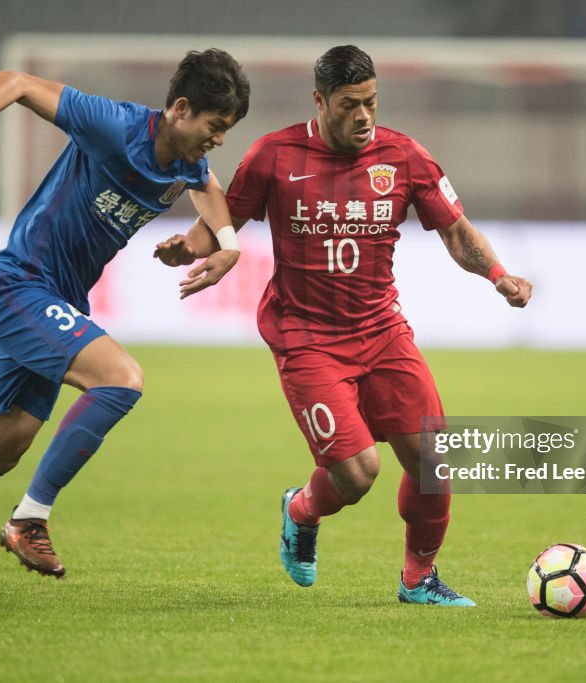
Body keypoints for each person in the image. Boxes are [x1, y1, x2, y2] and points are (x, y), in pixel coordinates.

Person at [0, 49, 251, 599]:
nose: (219, 139)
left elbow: (209, 189)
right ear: (179, 108)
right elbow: (15, 81)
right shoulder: (115, 124)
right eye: (215, 126)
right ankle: (29, 519)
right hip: (19, 286)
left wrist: (225, 246)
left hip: (58, 303)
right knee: (120, 379)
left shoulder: (185, 160)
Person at [155, 45, 532, 606]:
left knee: (433, 459)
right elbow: (224, 217)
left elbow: (456, 231)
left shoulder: (405, 157)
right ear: (320, 100)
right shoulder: (273, 155)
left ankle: (418, 580)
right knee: (357, 474)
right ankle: (300, 510)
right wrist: (190, 245)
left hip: (382, 331)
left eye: (372, 102)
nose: (364, 116)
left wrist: (498, 274)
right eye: (350, 104)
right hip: (306, 337)